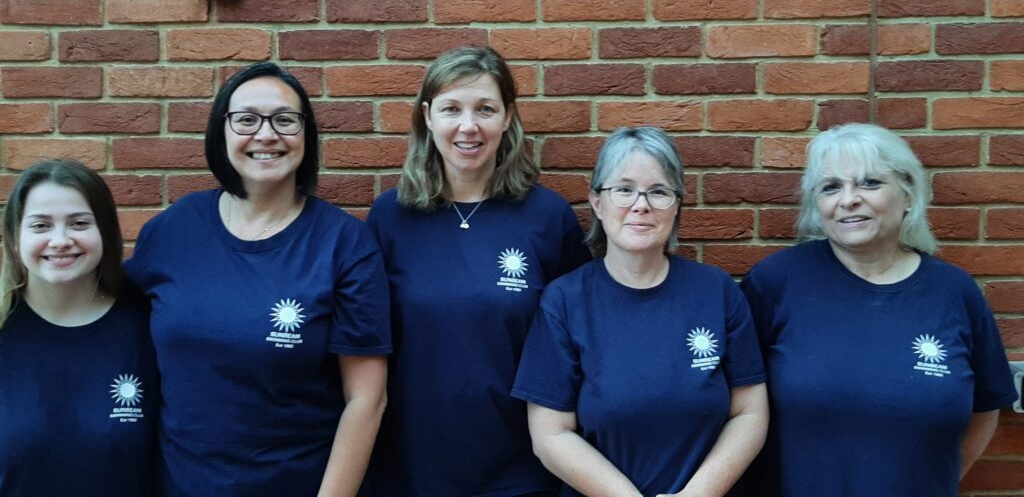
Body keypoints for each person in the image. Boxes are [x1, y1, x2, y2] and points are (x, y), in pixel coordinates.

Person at [125, 62, 391, 496]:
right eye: (246, 119)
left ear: (306, 135)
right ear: (221, 131)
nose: (266, 135)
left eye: (285, 120)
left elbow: (366, 400)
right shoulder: (171, 232)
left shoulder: (344, 243)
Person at [739, 123, 1018, 496]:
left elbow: (984, 409)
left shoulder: (954, 292)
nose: (849, 199)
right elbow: (734, 404)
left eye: (870, 183)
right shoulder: (777, 282)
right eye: (831, 187)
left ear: (907, 194)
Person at [362, 46, 591, 496]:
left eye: (485, 109)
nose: (468, 126)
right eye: (452, 109)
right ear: (427, 117)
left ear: (507, 118)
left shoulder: (547, 216)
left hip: (522, 470)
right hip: (410, 468)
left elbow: (581, 344)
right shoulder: (390, 217)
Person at [512, 126, 769, 497]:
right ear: (597, 203)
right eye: (624, 189)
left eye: (659, 191)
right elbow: (550, 435)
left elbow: (749, 413)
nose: (641, 204)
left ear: (677, 204)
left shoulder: (717, 292)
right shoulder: (565, 301)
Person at [0, 159, 158, 496]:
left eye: (79, 223)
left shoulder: (149, 324)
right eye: (41, 225)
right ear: (14, 238)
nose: (60, 240)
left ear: (105, 232)